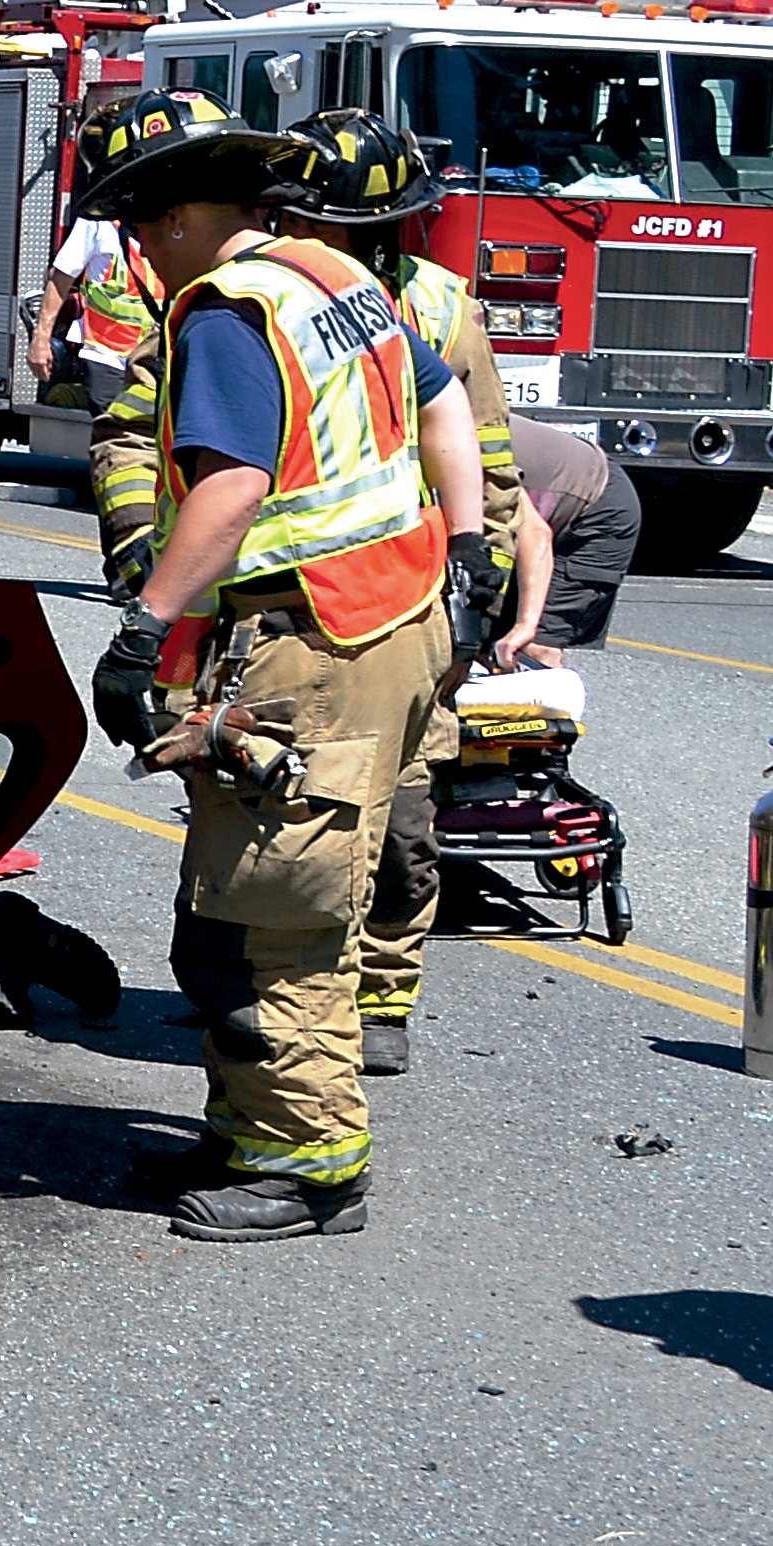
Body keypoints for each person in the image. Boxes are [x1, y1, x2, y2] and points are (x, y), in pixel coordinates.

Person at [75, 91, 492, 1243]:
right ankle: (247, 1127)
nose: (133, 250)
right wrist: (465, 544)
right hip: (399, 620)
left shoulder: (225, 312)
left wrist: (141, 624)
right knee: (285, 895)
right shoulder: (333, 275)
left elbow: (233, 487)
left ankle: (306, 1165)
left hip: (311, 639)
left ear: (172, 221)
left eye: (136, 225)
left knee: (274, 913)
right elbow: (444, 398)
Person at [273, 111, 518, 1077]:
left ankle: (380, 995)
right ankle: (282, 993)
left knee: (404, 818)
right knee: (281, 812)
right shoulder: (258, 297)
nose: (355, 249)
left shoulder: (441, 308)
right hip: (297, 603)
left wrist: (480, 577)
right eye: (331, 229)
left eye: (377, 231)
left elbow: (487, 451)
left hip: (413, 600)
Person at [496, 415, 642, 661]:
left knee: (532, 646)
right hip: (547, 509)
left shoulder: (462, 448)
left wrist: (526, 625)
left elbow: (535, 534)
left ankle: (546, 683)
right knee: (485, 640)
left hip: (595, 510)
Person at [33, 210, 162, 411]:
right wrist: (40, 340)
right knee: (116, 431)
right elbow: (61, 279)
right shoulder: (98, 222)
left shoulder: (173, 226)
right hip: (107, 358)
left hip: (153, 359)